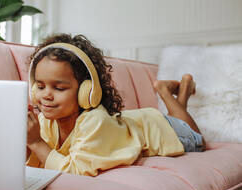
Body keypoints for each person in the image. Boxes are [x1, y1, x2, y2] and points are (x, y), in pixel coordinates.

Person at [26, 33, 204, 176]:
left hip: (162, 129)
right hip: (138, 121)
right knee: (176, 117)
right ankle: (175, 91)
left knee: (196, 138)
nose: (46, 95)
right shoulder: (45, 121)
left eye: (58, 88)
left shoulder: (95, 120)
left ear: (87, 91)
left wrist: (35, 142)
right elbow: (39, 163)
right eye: (40, 86)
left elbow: (75, 173)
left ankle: (165, 90)